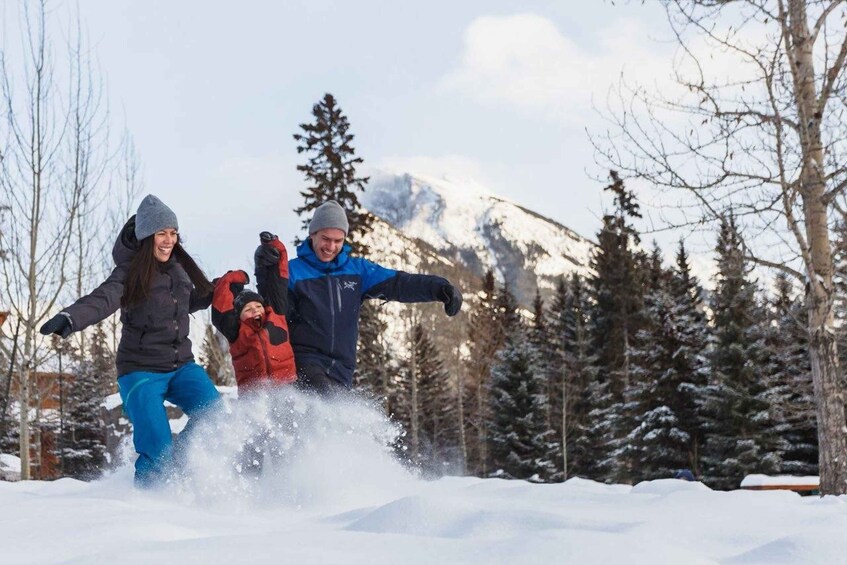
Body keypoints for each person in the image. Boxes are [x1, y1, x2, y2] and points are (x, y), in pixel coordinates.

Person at [40, 194, 220, 487]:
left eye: (173, 233)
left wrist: (222, 287)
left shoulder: (179, 269)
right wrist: (71, 317)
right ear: (147, 236)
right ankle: (149, 503)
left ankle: (181, 468)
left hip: (181, 366)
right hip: (140, 371)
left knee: (214, 415)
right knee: (157, 443)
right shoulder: (129, 273)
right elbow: (103, 299)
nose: (168, 240)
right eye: (161, 233)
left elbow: (193, 299)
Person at [256, 199, 463, 396]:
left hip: (342, 368)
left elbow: (399, 283)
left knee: (333, 421)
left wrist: (439, 288)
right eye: (326, 239)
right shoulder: (294, 272)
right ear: (313, 235)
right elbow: (274, 308)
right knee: (324, 402)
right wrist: (267, 272)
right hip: (305, 360)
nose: (331, 247)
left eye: (338, 241)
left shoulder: (358, 271)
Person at [211, 232, 297, 392]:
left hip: (286, 389)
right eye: (248, 310)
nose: (255, 311)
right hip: (254, 396)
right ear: (239, 316)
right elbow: (221, 309)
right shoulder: (235, 331)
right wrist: (229, 279)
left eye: (258, 307)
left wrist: (276, 247)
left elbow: (279, 281)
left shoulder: (276, 316)